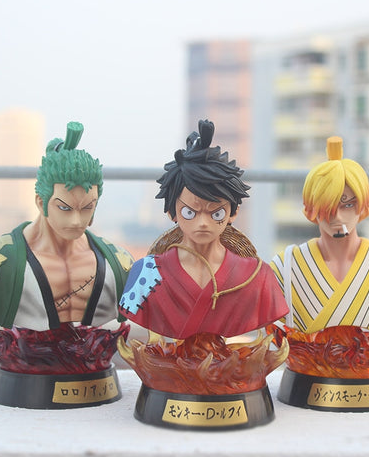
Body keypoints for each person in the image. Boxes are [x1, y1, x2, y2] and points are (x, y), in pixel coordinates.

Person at [0, 121, 133, 374]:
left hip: (92, 373)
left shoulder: (118, 264)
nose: (77, 220)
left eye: (87, 208)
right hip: (26, 372)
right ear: (41, 202)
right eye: (64, 208)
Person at [119, 119, 288, 339]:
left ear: (233, 212)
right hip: (170, 361)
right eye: (190, 212)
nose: (203, 223)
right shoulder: (146, 274)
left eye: (216, 213)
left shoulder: (258, 276)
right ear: (171, 211)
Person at [271, 136, 369, 334]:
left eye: (348, 205)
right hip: (307, 356)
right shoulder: (286, 267)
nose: (337, 217)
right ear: (312, 209)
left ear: (363, 206)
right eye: (328, 207)